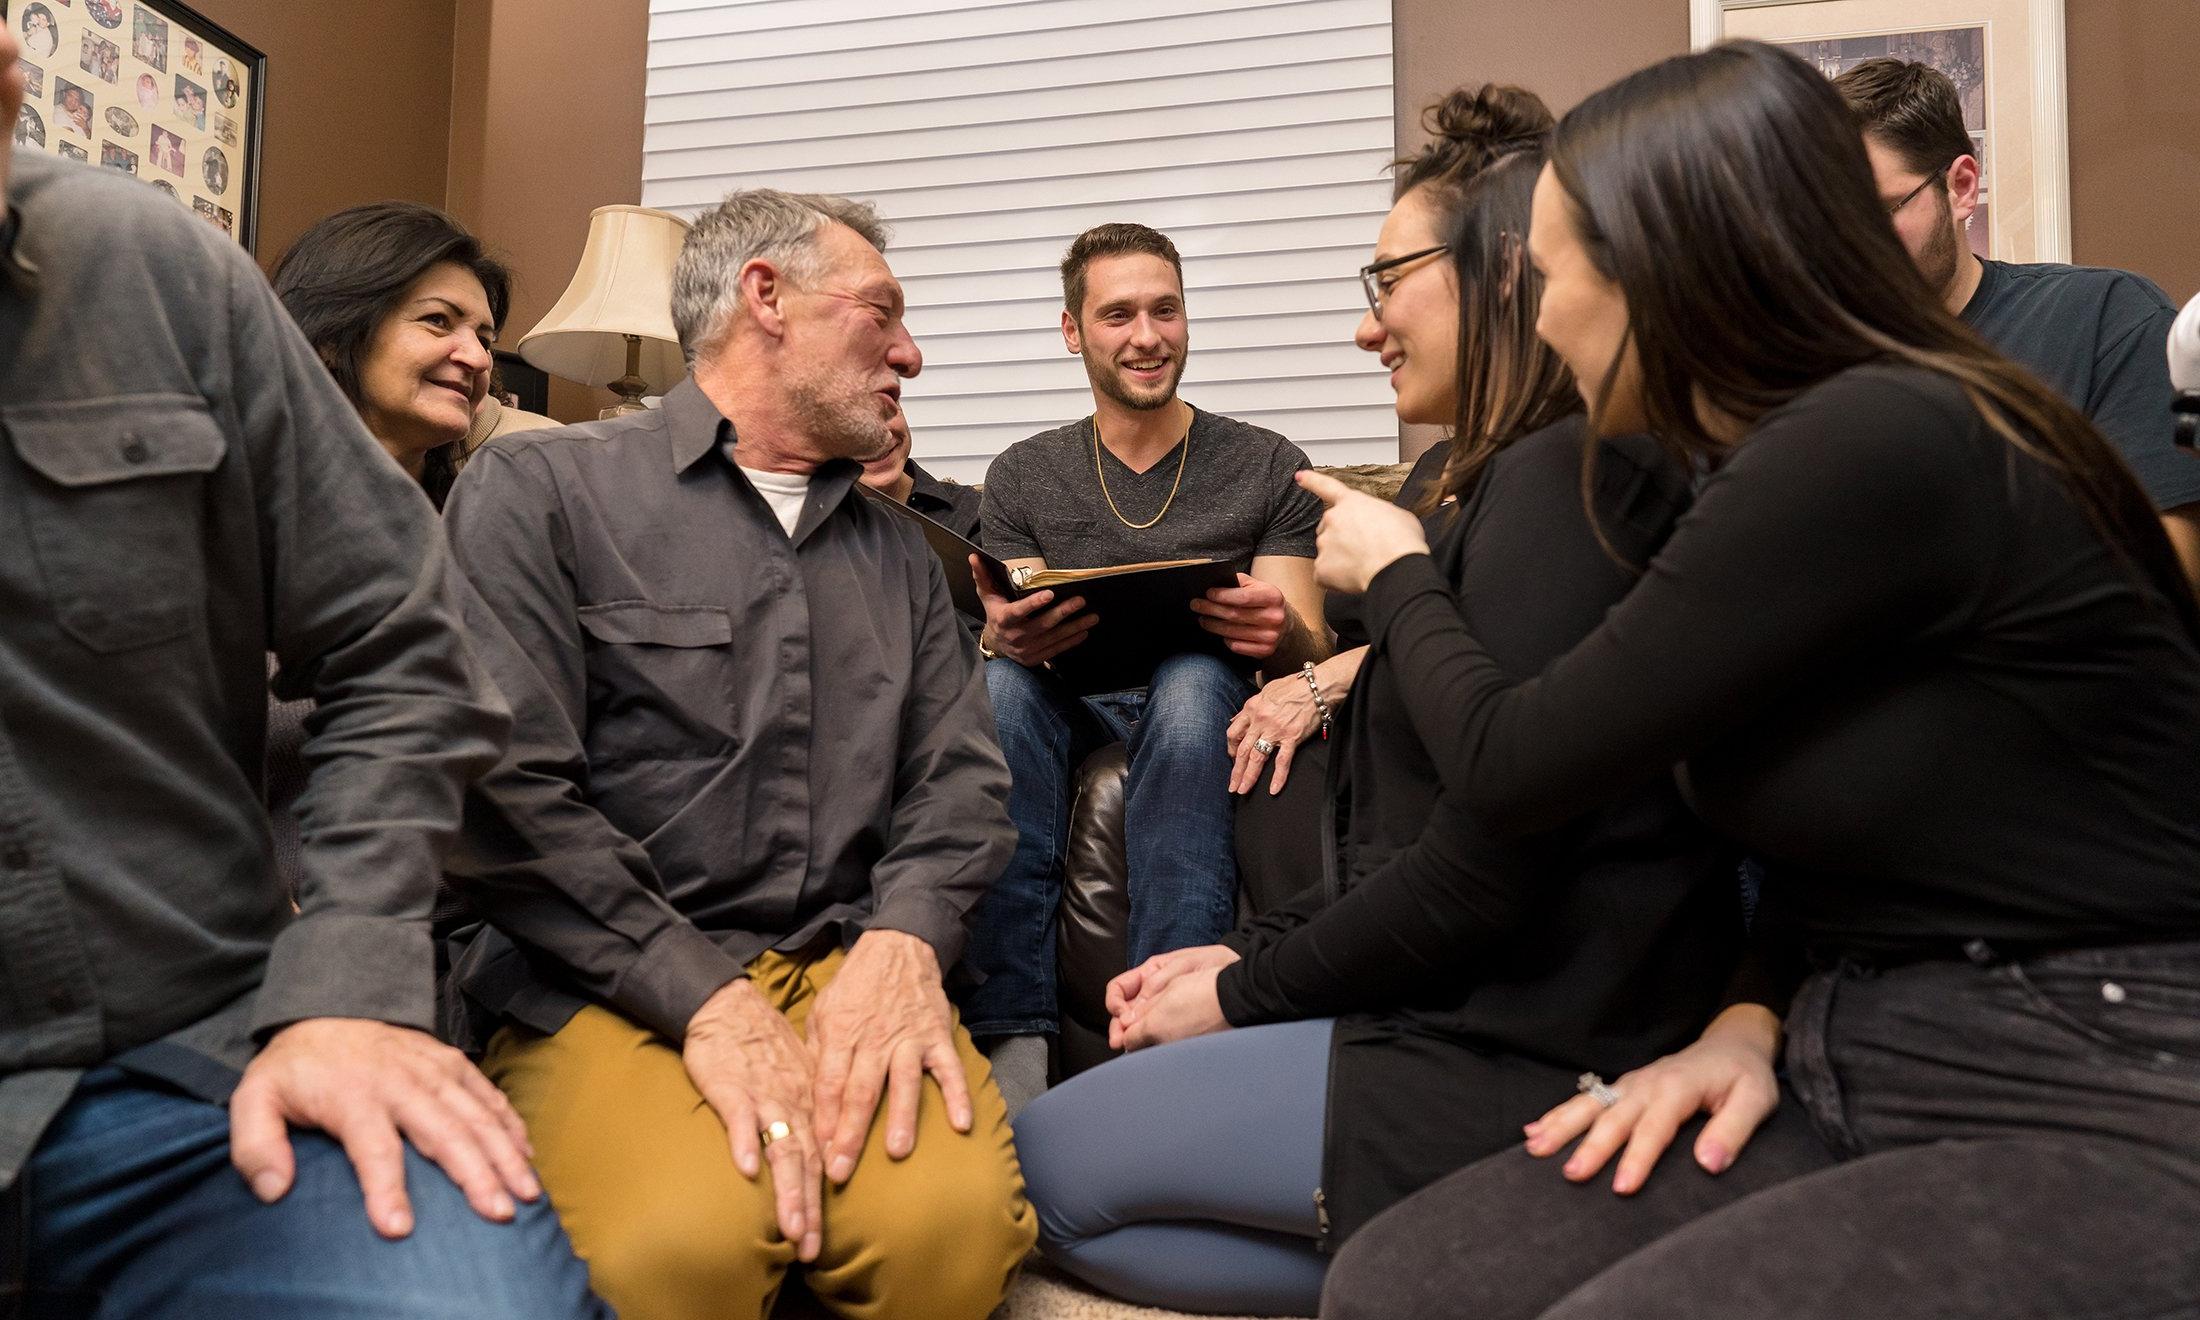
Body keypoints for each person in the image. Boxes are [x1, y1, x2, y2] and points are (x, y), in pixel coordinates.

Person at [1316, 41, 2200, 1320]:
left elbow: (1516, 764)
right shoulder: (1771, 461)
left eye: (1553, 277)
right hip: (1856, 1032)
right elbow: (1873, 828)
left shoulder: (1876, 440)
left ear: (1661, 274)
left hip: (2096, 1067)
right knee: (1395, 1286)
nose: (1543, 315)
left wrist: (1397, 574)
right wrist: (1749, 1018)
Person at [1009, 86, 1743, 1318]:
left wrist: (1238, 991)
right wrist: (1236, 952)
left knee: (1041, 1185)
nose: (1366, 328)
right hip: (1439, 1004)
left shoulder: (1570, 480)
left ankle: (1528, 1239)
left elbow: (1480, 862)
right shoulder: (1474, 486)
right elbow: (1403, 845)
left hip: (1514, 1039)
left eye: (1385, 278)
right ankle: (1484, 1257)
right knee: (1055, 1199)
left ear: (1498, 274)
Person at [0, 31, 603, 1317]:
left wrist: (340, 980)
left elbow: (422, 667)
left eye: (484, 332)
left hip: (194, 1044)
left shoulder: (155, 275)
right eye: (437, 321)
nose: (476, 356)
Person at [440, 187, 1037, 1320]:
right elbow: (504, 794)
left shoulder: (906, 559)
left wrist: (907, 942)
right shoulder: (541, 490)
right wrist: (707, 1003)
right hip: (612, 970)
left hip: (840, 958)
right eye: (883, 314)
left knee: (949, 1246)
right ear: (766, 296)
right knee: (672, 1255)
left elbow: (960, 783)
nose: (908, 353)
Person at [964, 221, 1330, 1110]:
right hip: (1071, 700)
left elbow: (1311, 648)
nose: (1146, 336)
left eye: (1164, 310)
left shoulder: (1267, 462)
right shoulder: (1022, 475)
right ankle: (1007, 1037)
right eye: (1118, 314)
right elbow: (998, 628)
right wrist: (1005, 638)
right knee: (1003, 687)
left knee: (1195, 675)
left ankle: (1167, 1019)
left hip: (1205, 707)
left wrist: (1273, 629)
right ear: (1072, 331)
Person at [1833, 57, 2200, 582]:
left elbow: (2169, 581)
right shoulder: (1804, 361)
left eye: (1876, 213)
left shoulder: (2102, 318)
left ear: (1961, 187)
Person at [273, 202, 505, 507]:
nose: (477, 359)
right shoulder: (241, 506)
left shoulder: (482, 523)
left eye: (484, 341)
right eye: (437, 320)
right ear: (332, 338)